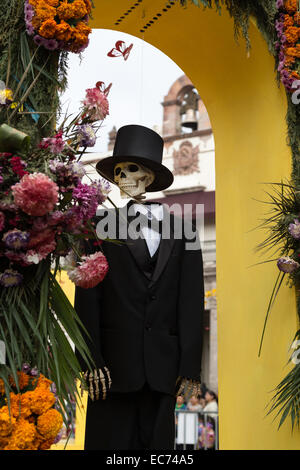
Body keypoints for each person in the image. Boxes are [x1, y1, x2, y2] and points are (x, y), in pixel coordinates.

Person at [75, 125, 205, 450]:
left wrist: (190, 365)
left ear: (148, 175)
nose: (123, 177)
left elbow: (191, 299)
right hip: (112, 372)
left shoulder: (184, 229)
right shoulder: (99, 227)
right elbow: (87, 298)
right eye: (118, 171)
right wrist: (90, 360)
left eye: (131, 169)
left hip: (164, 371)